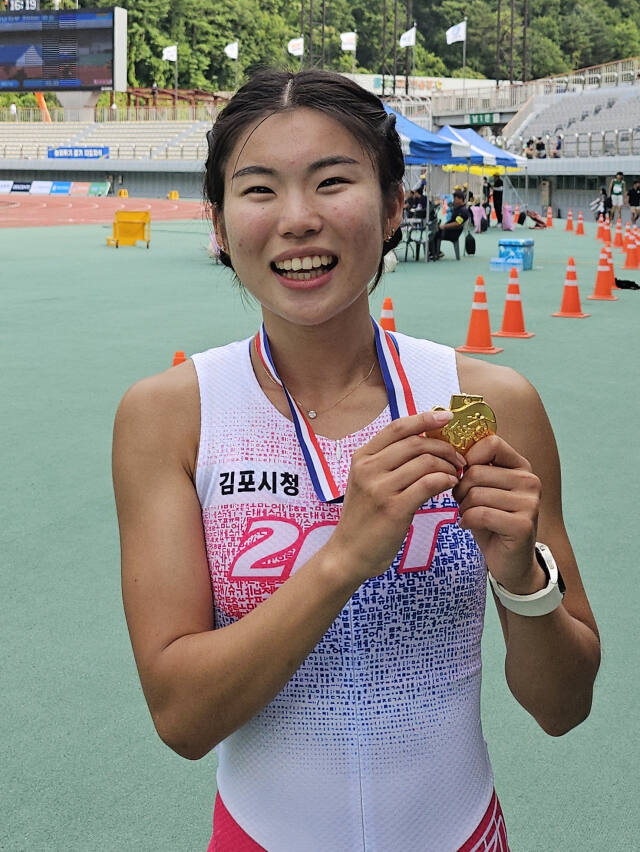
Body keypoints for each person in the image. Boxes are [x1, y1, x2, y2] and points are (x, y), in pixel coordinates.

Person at [112, 69, 601, 852]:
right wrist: (342, 558)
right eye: (259, 189)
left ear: (395, 206)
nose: (299, 220)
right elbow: (182, 718)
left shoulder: (476, 405)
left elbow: (563, 707)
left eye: (333, 182)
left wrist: (523, 580)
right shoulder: (173, 414)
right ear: (219, 220)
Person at [429, 189, 470, 259]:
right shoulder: (457, 208)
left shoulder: (463, 211)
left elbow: (457, 224)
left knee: (434, 234)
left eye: (455, 199)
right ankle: (435, 252)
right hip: (449, 230)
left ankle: (436, 253)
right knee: (432, 233)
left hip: (453, 233)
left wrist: (444, 226)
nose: (453, 200)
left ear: (461, 199)